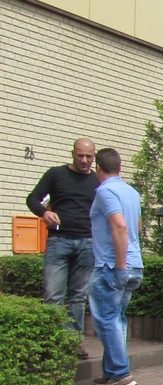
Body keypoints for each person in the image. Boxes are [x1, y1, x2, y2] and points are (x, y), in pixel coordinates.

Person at [26, 138, 98, 356]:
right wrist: (44, 213)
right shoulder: (56, 174)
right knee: (53, 295)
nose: (84, 160)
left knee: (78, 297)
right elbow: (32, 198)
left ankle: (73, 343)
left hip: (87, 242)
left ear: (94, 157)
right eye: (80, 155)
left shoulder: (97, 180)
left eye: (89, 157)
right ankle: (51, 342)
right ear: (72, 154)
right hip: (59, 241)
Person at [89, 147, 144, 385]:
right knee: (117, 319)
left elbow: (120, 227)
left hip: (111, 266)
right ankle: (110, 372)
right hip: (134, 264)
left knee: (106, 320)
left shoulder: (105, 191)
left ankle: (120, 373)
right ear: (119, 167)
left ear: (98, 168)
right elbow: (137, 227)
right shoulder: (131, 192)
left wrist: (120, 265)